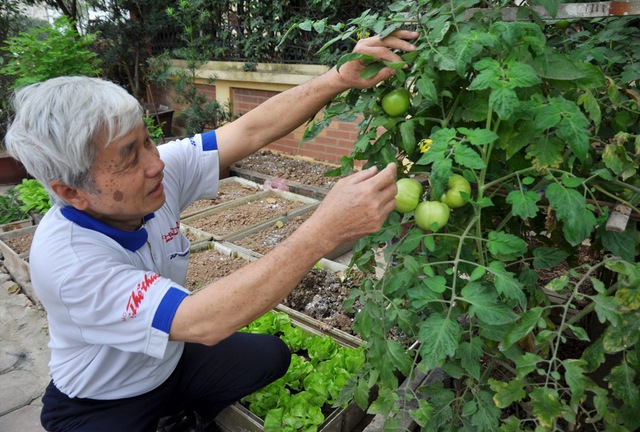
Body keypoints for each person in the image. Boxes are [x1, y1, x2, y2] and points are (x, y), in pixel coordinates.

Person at [4, 30, 418, 432]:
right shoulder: (70, 263)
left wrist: (338, 79)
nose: (155, 163)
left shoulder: (146, 183)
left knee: (270, 356)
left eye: (148, 140)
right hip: (102, 400)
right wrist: (324, 230)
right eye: (130, 158)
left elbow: (248, 131)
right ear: (70, 191)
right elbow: (204, 321)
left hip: (170, 360)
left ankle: (186, 416)